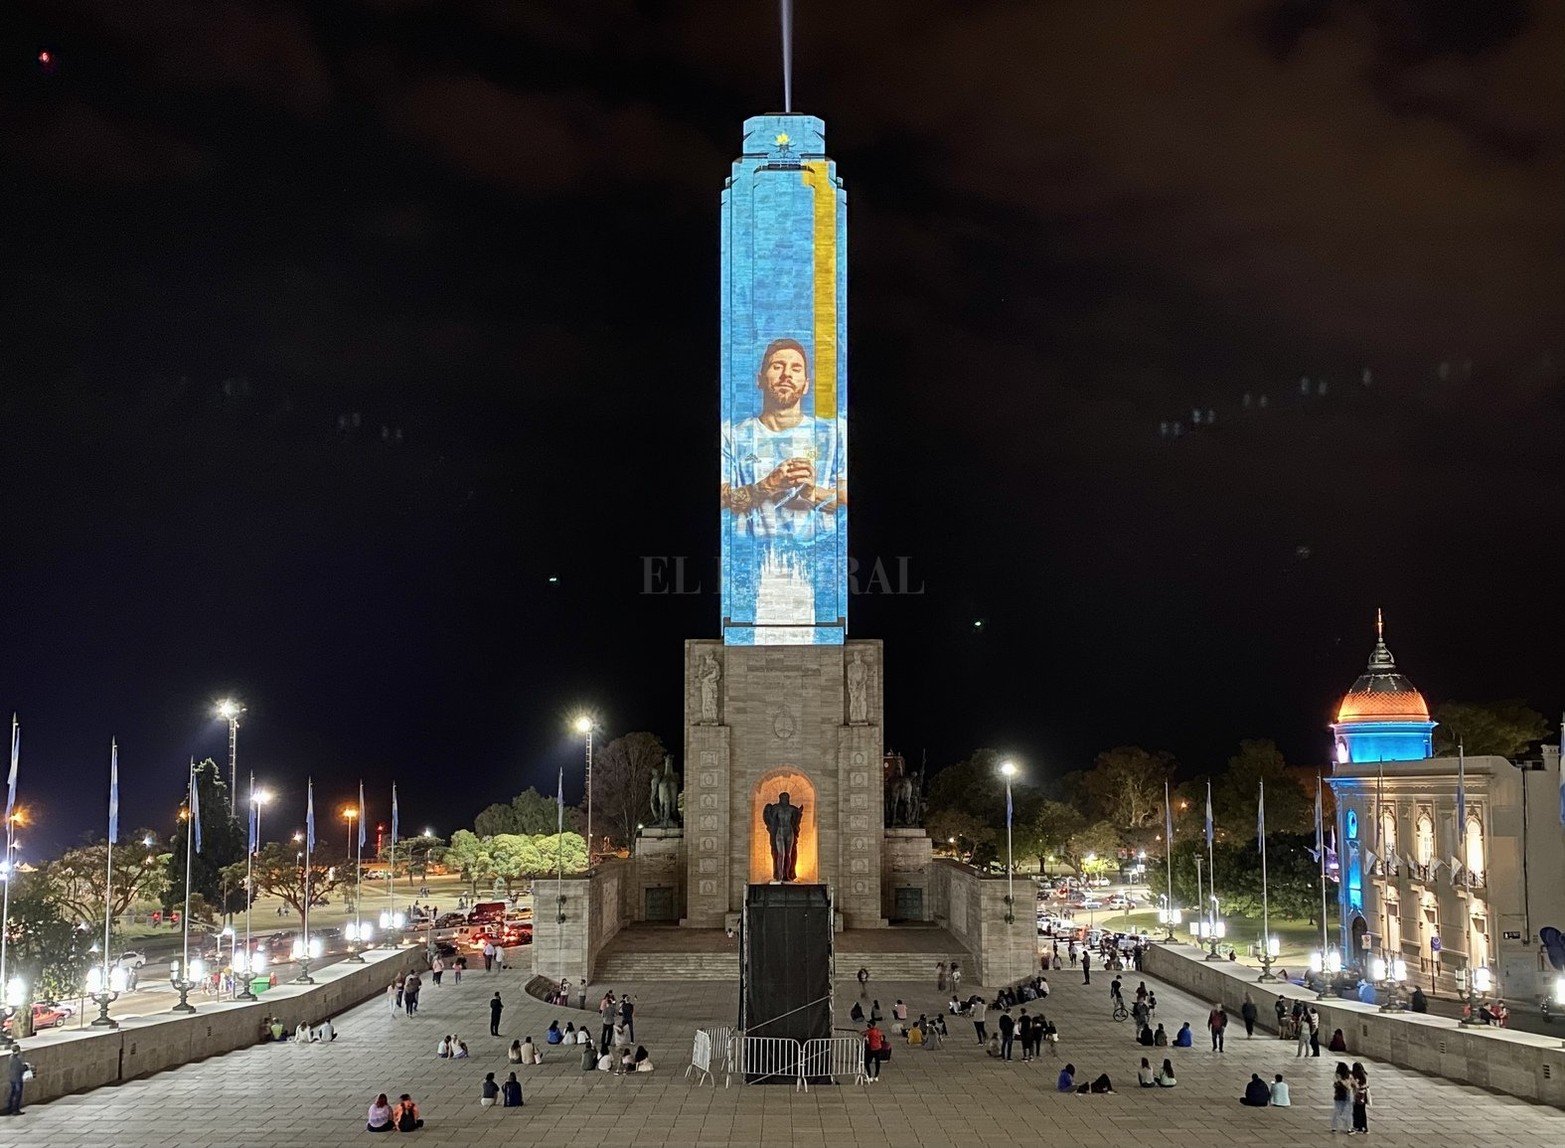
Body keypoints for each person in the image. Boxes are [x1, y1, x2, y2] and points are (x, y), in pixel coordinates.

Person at [4, 1051, 26, 1116]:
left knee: (12, 1093)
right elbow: (21, 1068)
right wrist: (25, 1067)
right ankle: (15, 1110)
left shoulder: (10, 1058)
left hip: (12, 1079)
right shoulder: (17, 1060)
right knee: (18, 1094)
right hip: (18, 1079)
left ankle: (9, 1108)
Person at [1350, 1063, 1370, 1134]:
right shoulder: (1365, 1075)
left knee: (1356, 1112)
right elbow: (1367, 1085)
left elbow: (1354, 1086)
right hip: (1363, 1096)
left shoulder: (1354, 1077)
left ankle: (1357, 1127)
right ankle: (1365, 1127)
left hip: (1357, 1096)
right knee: (1362, 1112)